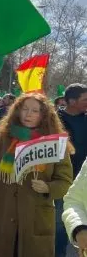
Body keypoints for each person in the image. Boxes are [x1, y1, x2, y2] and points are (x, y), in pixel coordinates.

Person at [0, 93, 73, 257]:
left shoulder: (55, 144)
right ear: (16, 111)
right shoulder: (0, 139)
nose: (28, 114)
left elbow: (65, 181)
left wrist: (48, 187)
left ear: (44, 115)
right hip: (3, 216)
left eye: (35, 111)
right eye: (24, 109)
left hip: (36, 221)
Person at [57, 83, 87, 256]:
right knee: (61, 225)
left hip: (82, 180)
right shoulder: (54, 120)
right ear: (72, 101)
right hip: (62, 181)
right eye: (85, 99)